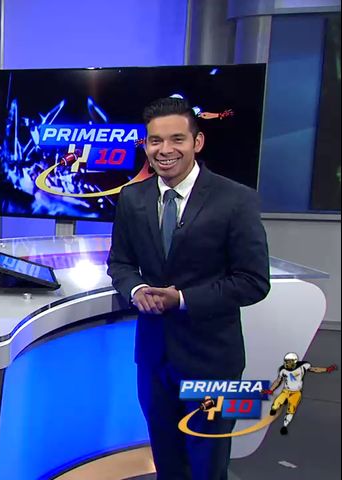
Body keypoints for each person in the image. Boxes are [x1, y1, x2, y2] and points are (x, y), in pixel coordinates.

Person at [107, 97, 270, 479]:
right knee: (166, 461)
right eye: (155, 141)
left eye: (176, 139)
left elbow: (254, 281)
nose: (164, 150)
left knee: (209, 465)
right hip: (153, 358)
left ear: (197, 142)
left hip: (213, 361)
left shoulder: (237, 199)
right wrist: (136, 290)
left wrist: (182, 300)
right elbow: (120, 263)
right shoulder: (132, 197)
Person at [262, 352, 336, 435]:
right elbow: (278, 381)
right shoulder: (283, 370)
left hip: (296, 393)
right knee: (276, 404)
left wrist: (326, 369)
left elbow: (314, 369)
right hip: (286, 391)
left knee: (291, 409)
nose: (287, 364)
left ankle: (285, 426)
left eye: (289, 362)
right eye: (286, 362)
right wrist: (271, 389)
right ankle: (274, 409)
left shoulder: (302, 366)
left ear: (294, 361)